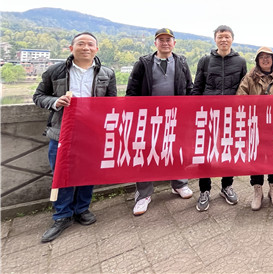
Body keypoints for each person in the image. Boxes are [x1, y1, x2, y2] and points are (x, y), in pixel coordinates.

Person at [33, 32, 117, 243]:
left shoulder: (107, 73)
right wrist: (55, 101)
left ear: (96, 49)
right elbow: (38, 96)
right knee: (61, 174)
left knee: (88, 173)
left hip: (92, 133)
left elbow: (111, 102)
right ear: (71, 48)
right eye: (81, 44)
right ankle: (62, 215)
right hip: (61, 132)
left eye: (90, 44)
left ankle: (82, 209)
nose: (85, 47)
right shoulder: (55, 71)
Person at [126, 28, 194, 216]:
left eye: (168, 40)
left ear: (174, 43)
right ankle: (144, 194)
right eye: (161, 40)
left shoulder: (181, 62)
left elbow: (189, 88)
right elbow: (132, 90)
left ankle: (179, 184)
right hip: (149, 117)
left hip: (175, 116)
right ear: (155, 43)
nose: (165, 43)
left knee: (176, 150)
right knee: (146, 152)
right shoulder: (143, 63)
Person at [192, 25, 248, 211]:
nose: (224, 40)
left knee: (228, 150)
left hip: (231, 114)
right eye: (220, 37)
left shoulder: (240, 61)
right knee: (204, 152)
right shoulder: (205, 60)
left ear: (232, 39)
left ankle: (227, 186)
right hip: (208, 114)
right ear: (215, 39)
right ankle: (204, 190)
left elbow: (244, 89)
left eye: (227, 36)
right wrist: (195, 111)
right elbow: (197, 87)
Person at [237, 47, 273, 210]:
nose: (265, 59)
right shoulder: (249, 78)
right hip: (255, 125)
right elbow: (240, 98)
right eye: (262, 57)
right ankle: (258, 191)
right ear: (257, 60)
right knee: (256, 158)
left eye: (268, 57)